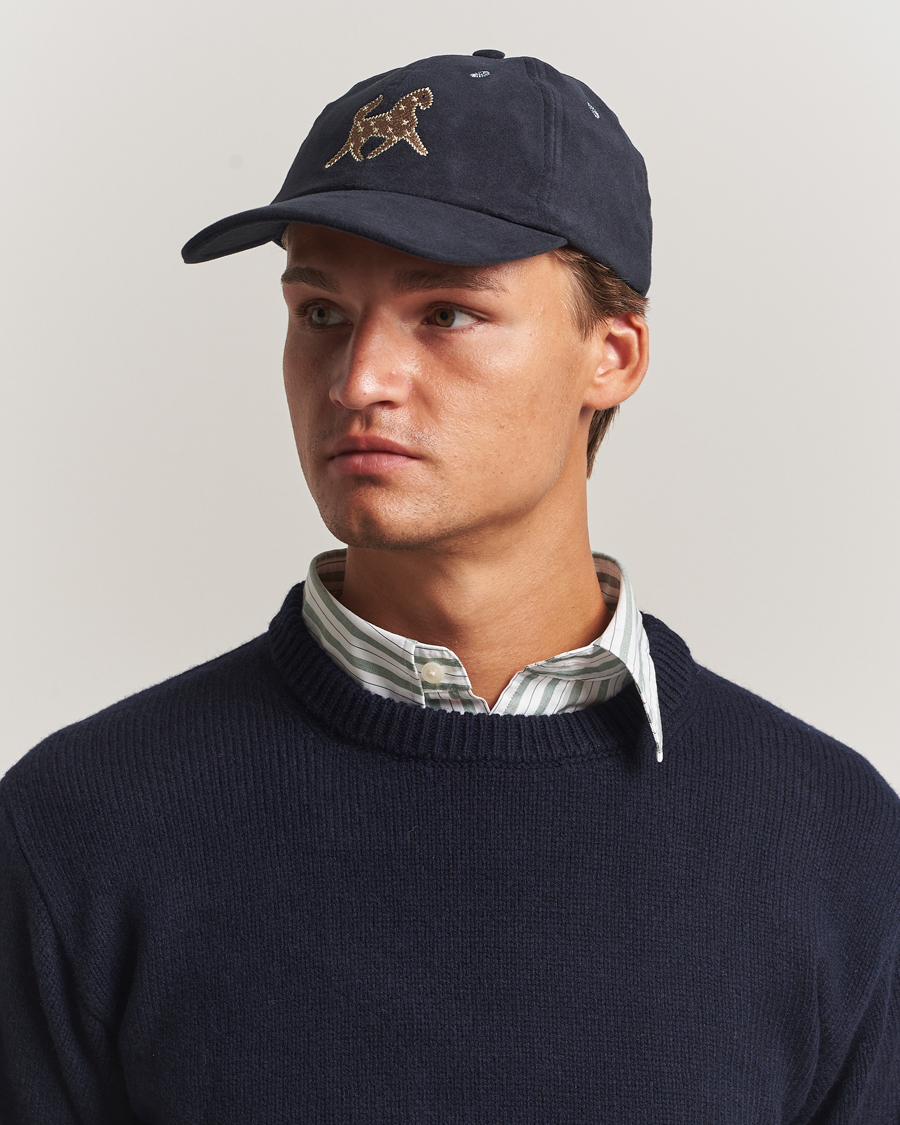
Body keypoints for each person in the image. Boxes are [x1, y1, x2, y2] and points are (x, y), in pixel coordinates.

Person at [1, 49, 898, 1123]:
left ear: (612, 355)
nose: (359, 380)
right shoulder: (81, 828)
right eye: (321, 313)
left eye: (446, 314)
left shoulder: (833, 845)